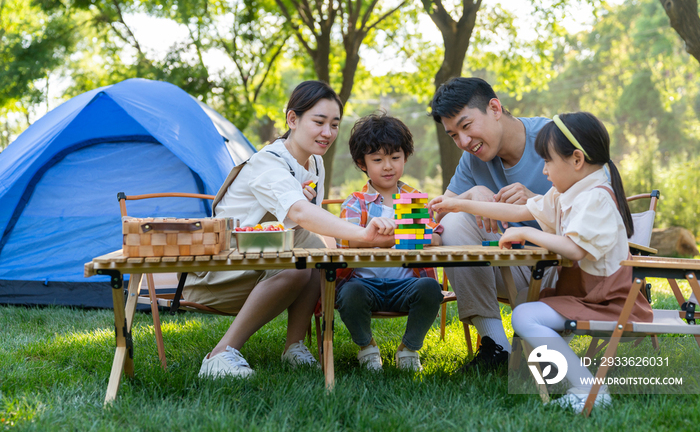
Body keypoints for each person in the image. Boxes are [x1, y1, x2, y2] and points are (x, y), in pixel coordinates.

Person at [429, 112, 653, 412]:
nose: (544, 171)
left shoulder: (595, 198)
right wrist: (458, 203)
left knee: (525, 316)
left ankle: (588, 390)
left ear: (576, 160)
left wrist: (524, 233)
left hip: (608, 300)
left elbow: (574, 249)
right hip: (589, 294)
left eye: (548, 161)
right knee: (524, 302)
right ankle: (536, 370)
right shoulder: (570, 193)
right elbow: (516, 213)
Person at [184, 81, 395, 379]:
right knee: (298, 262)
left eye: (334, 124)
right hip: (220, 270)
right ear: (292, 120)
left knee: (315, 250)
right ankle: (220, 354)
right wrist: (361, 234)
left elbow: (312, 220)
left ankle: (294, 346)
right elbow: (299, 211)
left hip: (263, 258)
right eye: (319, 122)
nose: (327, 133)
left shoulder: (315, 163)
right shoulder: (268, 162)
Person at [429, 77, 556, 372]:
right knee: (455, 222)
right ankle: (495, 346)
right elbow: (438, 216)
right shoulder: (471, 160)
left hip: (565, 267)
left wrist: (537, 200)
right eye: (453, 135)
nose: (463, 141)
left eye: (466, 126)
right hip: (518, 267)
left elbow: (597, 213)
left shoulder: (553, 139)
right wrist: (469, 196)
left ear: (495, 108)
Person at [334, 113, 444, 372]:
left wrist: (405, 234)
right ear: (363, 163)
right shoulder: (357, 201)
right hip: (363, 284)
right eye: (377, 159)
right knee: (348, 294)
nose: (387, 166)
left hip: (406, 285)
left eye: (395, 158)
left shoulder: (413, 198)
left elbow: (436, 236)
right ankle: (367, 346)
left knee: (431, 288)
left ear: (405, 158)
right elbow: (346, 239)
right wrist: (390, 238)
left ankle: (409, 348)